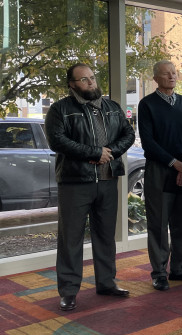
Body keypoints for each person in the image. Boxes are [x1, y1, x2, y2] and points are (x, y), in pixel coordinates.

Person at [45, 63, 135, 311]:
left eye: (92, 78)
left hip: (107, 180)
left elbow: (128, 134)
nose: (91, 83)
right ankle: (69, 291)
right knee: (70, 239)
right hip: (76, 182)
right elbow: (57, 141)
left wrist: (110, 153)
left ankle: (106, 283)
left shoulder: (112, 107)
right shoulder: (60, 109)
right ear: (72, 84)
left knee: (106, 236)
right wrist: (93, 153)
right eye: (84, 80)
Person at [138, 60, 182, 291]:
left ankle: (179, 268)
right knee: (159, 223)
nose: (172, 76)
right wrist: (175, 164)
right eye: (166, 74)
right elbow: (148, 143)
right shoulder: (147, 104)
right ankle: (159, 273)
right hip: (160, 170)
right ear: (156, 78)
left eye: (174, 73)